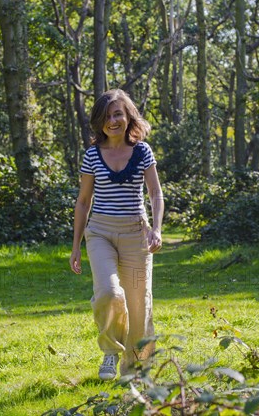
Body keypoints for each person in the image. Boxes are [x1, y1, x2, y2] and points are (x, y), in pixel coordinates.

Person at [69, 89, 164, 381]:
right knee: (109, 293)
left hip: (136, 234)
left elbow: (155, 193)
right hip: (100, 233)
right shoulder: (92, 155)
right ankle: (110, 351)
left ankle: (135, 370)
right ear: (100, 121)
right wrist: (75, 247)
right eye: (107, 115)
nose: (113, 120)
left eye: (118, 114)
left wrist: (157, 228)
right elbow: (83, 202)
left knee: (139, 307)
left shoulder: (142, 151)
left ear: (128, 117)